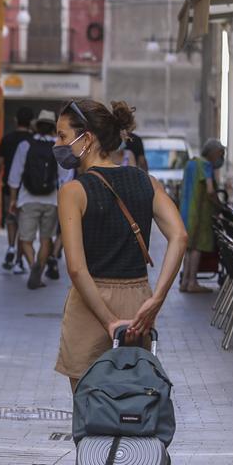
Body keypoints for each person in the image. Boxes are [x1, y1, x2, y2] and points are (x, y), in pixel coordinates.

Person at [54, 99, 187, 391]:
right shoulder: (147, 182)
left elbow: (76, 268)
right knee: (132, 403)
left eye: (63, 136)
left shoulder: (73, 191)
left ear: (86, 138)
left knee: (90, 409)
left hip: (91, 304)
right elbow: (180, 236)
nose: (57, 144)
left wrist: (109, 322)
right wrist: (157, 299)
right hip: (138, 301)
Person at [8, 109, 70, 290]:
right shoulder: (58, 148)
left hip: (28, 199)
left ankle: (32, 263)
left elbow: (14, 175)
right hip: (51, 201)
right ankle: (39, 272)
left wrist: (13, 200)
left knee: (26, 240)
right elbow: (64, 178)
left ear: (36, 126)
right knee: (46, 239)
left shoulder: (25, 145)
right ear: (53, 128)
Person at [178, 139, 225, 293]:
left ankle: (185, 282)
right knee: (197, 247)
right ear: (214, 153)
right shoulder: (205, 165)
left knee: (188, 248)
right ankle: (192, 282)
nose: (221, 158)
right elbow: (210, 191)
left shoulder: (190, 163)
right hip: (198, 213)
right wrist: (220, 206)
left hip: (185, 212)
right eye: (221, 154)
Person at [0, 107, 34, 273]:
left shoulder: (7, 139)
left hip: (8, 186)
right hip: (27, 188)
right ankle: (19, 260)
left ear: (15, 120)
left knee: (11, 218)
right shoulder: (32, 140)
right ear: (32, 122)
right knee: (24, 225)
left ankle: (11, 248)